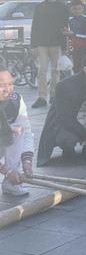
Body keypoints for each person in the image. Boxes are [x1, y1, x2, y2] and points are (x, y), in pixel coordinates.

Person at [37, 53, 86, 164]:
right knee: (67, 140)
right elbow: (64, 117)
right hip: (65, 121)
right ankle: (68, 150)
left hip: (84, 116)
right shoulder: (64, 86)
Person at [30, 0, 69, 109]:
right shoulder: (40, 7)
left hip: (56, 43)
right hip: (41, 43)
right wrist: (33, 44)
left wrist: (64, 47)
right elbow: (34, 25)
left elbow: (64, 27)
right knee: (41, 70)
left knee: (55, 71)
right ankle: (41, 97)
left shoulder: (62, 7)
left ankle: (53, 96)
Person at [0, 66, 33, 196]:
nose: (7, 89)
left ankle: (10, 183)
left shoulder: (15, 100)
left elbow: (27, 131)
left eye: (10, 84)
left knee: (17, 128)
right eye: (1, 85)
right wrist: (5, 170)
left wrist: (26, 161)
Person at [66, 0, 86, 73]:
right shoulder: (71, 21)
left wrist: (74, 34)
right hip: (75, 49)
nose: (77, 11)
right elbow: (72, 35)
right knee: (76, 70)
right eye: (74, 9)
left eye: (79, 9)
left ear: (82, 9)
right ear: (71, 9)